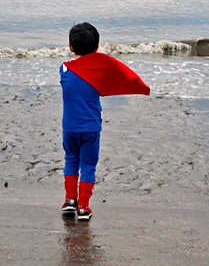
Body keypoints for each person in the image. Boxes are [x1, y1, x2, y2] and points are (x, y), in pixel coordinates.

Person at [60, 22, 150, 221]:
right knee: (89, 165)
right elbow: (112, 74)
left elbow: (79, 73)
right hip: (91, 127)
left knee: (71, 160)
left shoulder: (64, 70)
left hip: (70, 128)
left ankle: (69, 201)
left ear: (70, 47)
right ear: (97, 48)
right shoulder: (99, 71)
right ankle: (83, 207)